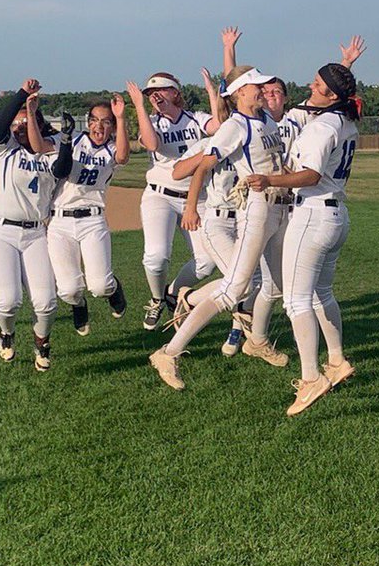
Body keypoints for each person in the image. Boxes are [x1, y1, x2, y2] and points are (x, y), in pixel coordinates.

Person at [219, 27, 365, 360]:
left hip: (299, 207)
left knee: (277, 287)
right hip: (279, 207)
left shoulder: (301, 118)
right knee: (266, 281)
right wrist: (229, 51)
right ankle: (247, 332)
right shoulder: (250, 123)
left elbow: (331, 95)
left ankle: (254, 337)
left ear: (285, 97)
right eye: (263, 91)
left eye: (275, 92)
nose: (268, 96)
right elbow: (233, 86)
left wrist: (344, 66)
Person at [149, 66, 291, 389]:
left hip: (275, 210)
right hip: (249, 212)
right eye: (254, 85)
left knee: (273, 286)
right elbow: (201, 166)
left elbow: (277, 163)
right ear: (240, 92)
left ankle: (255, 341)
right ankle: (169, 352)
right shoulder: (235, 127)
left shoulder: (267, 120)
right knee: (233, 290)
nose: (262, 89)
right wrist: (190, 206)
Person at [242, 63, 360, 416]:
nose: (311, 84)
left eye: (319, 82)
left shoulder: (323, 126)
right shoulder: (344, 122)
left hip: (312, 214)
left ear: (332, 94)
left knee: (295, 301)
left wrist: (269, 180)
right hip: (336, 213)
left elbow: (309, 176)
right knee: (322, 293)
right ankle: (336, 361)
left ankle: (311, 378)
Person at [0, 80, 64, 370]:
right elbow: (2, 122)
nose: (18, 128)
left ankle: (42, 341)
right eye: (17, 124)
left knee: (46, 303)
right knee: (7, 302)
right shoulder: (3, 151)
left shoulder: (51, 153)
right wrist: (22, 97)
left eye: (25, 123)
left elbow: (63, 165)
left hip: (36, 233)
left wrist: (32, 114)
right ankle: (6, 333)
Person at [126, 73, 222, 331]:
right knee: (156, 257)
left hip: (196, 196)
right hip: (160, 195)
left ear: (176, 93)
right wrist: (138, 106)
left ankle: (173, 293)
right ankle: (157, 299)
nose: (155, 95)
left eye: (162, 90)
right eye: (150, 93)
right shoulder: (153, 122)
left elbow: (220, 129)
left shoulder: (196, 118)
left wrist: (213, 96)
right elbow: (152, 143)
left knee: (207, 262)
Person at [47, 96, 131, 336]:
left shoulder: (111, 148)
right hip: (59, 221)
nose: (99, 127)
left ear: (112, 127)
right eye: (94, 120)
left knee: (101, 286)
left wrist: (122, 117)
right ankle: (79, 305)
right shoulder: (72, 140)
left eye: (106, 122)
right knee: (69, 291)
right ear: (87, 122)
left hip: (93, 220)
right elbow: (42, 145)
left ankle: (114, 290)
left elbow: (123, 157)